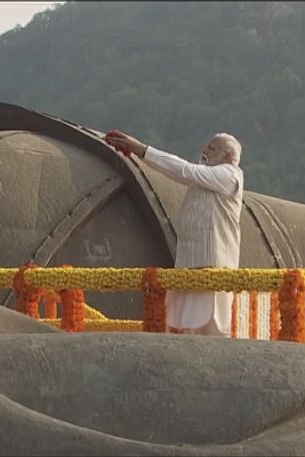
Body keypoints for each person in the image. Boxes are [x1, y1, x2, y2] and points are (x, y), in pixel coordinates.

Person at [104, 130, 244, 337]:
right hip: (190, 262)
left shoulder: (229, 174)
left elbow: (185, 170)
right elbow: (175, 171)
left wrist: (142, 149)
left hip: (214, 263)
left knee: (213, 328)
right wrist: (140, 153)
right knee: (184, 325)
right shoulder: (204, 179)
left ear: (227, 157)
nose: (204, 150)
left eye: (211, 148)